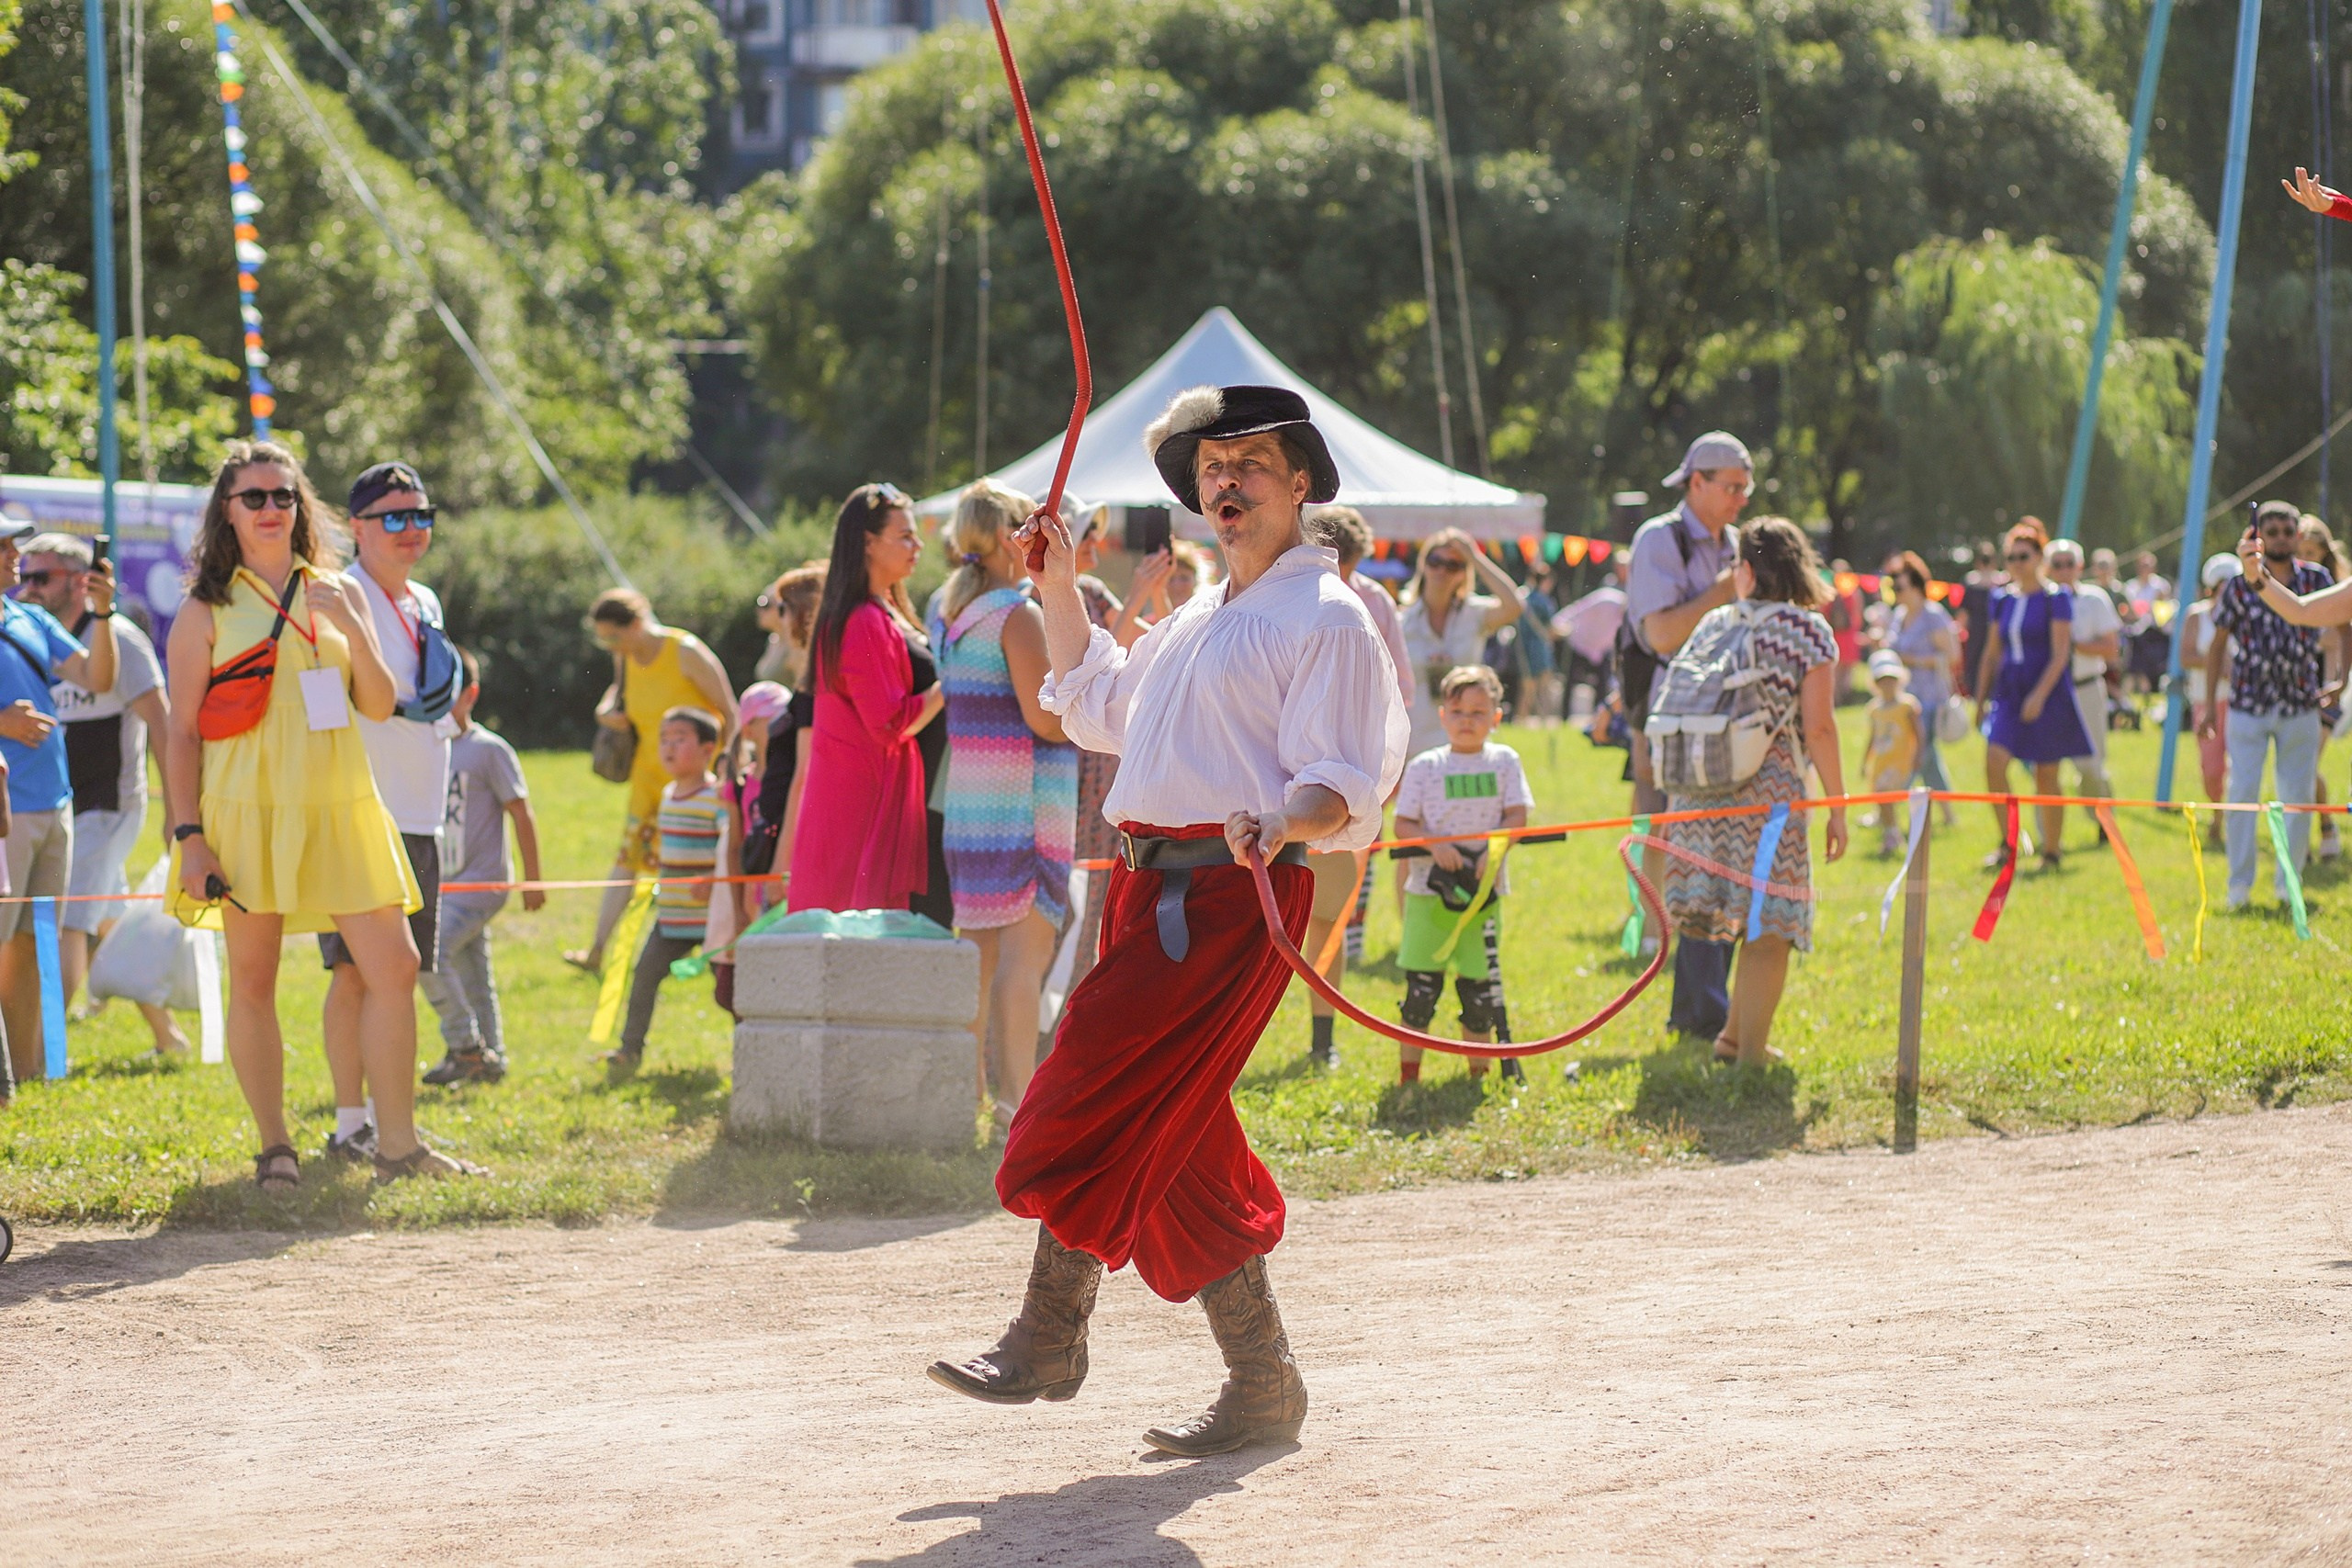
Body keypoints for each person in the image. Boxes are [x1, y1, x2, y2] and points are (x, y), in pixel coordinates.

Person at [928, 384, 1406, 1456]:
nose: (1224, 481)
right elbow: (1089, 706)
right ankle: (1265, 1384)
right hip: (1145, 887)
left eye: (1247, 464)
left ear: (1297, 484)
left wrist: (1280, 819)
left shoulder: (1323, 616)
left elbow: (1339, 779)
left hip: (1234, 893)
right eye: (1210, 469)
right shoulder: (1199, 616)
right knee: (1176, 1130)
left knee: (1089, 1082)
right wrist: (1058, 587)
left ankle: (1050, 1332)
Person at [162, 441, 480, 1186]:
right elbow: (178, 733)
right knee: (255, 978)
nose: (272, 509)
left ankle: (398, 1145)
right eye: (255, 498)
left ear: (302, 508)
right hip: (247, 810)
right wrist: (189, 836)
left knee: (396, 965)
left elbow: (376, 701)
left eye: (285, 496)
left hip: (343, 803)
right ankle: (276, 1147)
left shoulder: (339, 589)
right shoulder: (204, 608)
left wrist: (357, 627)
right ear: (227, 512)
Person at [1658, 517, 1848, 1067]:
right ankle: (1751, 1055)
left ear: (1744, 570)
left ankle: (1732, 1040)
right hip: (1768, 802)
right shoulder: (1808, 632)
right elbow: (1820, 730)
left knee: (1731, 921)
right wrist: (1836, 808)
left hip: (1697, 797)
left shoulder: (1715, 623)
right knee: (1770, 928)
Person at [317, 462, 458, 1158]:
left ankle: (382, 1120)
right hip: (361, 810)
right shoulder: (338, 593)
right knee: (355, 972)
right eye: (393, 517)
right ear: (356, 527)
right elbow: (324, 699)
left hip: (419, 812)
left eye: (421, 516)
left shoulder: (425, 599)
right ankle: (352, 1127)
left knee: (393, 977)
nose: (411, 530)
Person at [929, 479, 1078, 1127]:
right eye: (1025, 525)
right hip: (1023, 806)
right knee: (1026, 960)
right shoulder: (1017, 614)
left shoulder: (953, 612)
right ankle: (1020, 1105)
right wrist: (1094, 710)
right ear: (1001, 538)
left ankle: (967, 1099)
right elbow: (1045, 720)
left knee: (979, 961)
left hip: (971, 807)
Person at [17, 534, 180, 1054]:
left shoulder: (120, 639)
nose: (30, 587)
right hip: (62, 803)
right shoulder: (35, 635)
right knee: (108, 917)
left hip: (109, 804)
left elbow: (163, 723)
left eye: (42, 577)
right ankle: (167, 1034)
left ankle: (43, 1052)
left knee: (68, 922)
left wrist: (175, 811)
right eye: (25, 575)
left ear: (79, 579)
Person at [1623, 431, 1749, 1034]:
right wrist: (1726, 590)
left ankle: (1699, 995)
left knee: (1716, 847)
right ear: (1695, 482)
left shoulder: (1735, 541)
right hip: (1671, 719)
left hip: (1727, 719)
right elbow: (1663, 635)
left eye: (1746, 489)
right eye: (1731, 487)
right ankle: (1658, 939)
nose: (1740, 500)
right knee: (1674, 835)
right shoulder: (1659, 538)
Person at [788, 484, 944, 917]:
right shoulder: (862, 620)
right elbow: (890, 723)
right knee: (853, 934)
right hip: (862, 805)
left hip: (873, 794)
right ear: (868, 543)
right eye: (906, 536)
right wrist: (950, 681)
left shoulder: (884, 608)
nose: (918, 545)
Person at [0, 520, 116, 1093]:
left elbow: (97, 676)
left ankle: (22, 1074)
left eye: (13, 545)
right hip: (6, 815)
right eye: (2, 547)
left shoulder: (30, 618)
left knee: (30, 944)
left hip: (55, 804)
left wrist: (103, 614)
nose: (14, 556)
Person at [567, 588, 737, 973]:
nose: (610, 645)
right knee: (627, 859)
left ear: (639, 623)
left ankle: (717, 951)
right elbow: (617, 695)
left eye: (614, 636)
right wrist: (605, 713)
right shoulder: (625, 656)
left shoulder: (685, 652)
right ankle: (596, 951)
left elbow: (730, 709)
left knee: (705, 865)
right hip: (649, 778)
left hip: (700, 784)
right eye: (603, 638)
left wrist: (729, 762)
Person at [1298, 504, 1411, 1067]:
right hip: (1272, 787)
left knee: (1328, 920)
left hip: (1339, 787)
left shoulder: (1373, 604)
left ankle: (1323, 1041)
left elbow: (1399, 700)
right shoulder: (1276, 595)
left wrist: (1377, 787)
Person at [1390, 664, 1532, 1085]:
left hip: (1483, 897)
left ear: (1496, 717)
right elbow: (1403, 825)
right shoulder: (1424, 766)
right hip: (1427, 897)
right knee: (1420, 992)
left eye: (1478, 712)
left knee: (1477, 991)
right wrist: (1435, 845)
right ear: (1442, 715)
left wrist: (1497, 846)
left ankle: (1479, 1076)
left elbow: (1517, 815)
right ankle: (1409, 1078)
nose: (1467, 720)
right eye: (1458, 711)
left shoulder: (1505, 762)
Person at [418, 649, 543, 1086]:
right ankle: (493, 1057)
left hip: (481, 884)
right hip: (444, 885)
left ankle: (464, 1047)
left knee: (426, 957)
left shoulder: (489, 751)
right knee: (473, 971)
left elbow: (521, 813)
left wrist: (533, 880)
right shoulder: (425, 748)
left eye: (447, 694)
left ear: (470, 695)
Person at [2204, 502, 2333, 908]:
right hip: (2248, 702)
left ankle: (2287, 882)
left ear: (2297, 535)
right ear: (2257, 536)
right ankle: (2238, 885)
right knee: (2242, 791)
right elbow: (2218, 643)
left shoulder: (2316, 578)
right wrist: (2209, 703)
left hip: (2300, 701)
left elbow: (2342, 626)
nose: (2278, 537)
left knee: (2296, 796)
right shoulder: (2240, 583)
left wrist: (2341, 677)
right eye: (2270, 530)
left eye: (2285, 530)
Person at [603, 707, 731, 1077]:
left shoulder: (716, 797)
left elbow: (728, 845)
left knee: (728, 989)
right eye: (663, 739)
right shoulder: (668, 794)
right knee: (644, 977)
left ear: (709, 749)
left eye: (680, 739)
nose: (669, 747)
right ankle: (630, 1050)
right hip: (671, 918)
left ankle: (751, 1047)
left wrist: (715, 881)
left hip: (711, 922)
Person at [1973, 519, 2088, 873]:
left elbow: (2060, 654)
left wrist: (2039, 695)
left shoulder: (2057, 598)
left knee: (2046, 775)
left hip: (2047, 690)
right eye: (2010, 556)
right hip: (2010, 690)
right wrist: (1979, 700)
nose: (2016, 563)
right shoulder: (2002, 599)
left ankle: (2051, 852)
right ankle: (2010, 841)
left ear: (2040, 556)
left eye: (2023, 555)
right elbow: (1992, 653)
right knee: (1994, 762)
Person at [1398, 527, 1526, 759]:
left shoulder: (1474, 613)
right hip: (1413, 739)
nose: (1441, 570)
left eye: (1453, 565)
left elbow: (1514, 606)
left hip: (1465, 741)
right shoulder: (1402, 621)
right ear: (1423, 565)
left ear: (1464, 573)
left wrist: (1475, 556)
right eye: (1435, 561)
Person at [1882, 551, 1960, 821]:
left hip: (1928, 698)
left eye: (1899, 586)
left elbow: (1952, 656)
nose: (1895, 591)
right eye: (1892, 586)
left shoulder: (1933, 615)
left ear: (1915, 585)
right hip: (1903, 698)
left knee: (1916, 754)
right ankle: (1948, 814)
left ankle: (1888, 808)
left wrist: (1912, 660)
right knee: (1927, 758)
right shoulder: (1899, 615)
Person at [2045, 538, 2120, 810]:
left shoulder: (2094, 600)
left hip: (2086, 688)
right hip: (2051, 692)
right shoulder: (2041, 601)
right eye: (2057, 564)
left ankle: (2103, 820)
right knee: (2045, 766)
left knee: (2091, 764)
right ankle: (2049, 842)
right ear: (2048, 568)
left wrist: (2072, 644)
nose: (2064, 570)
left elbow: (2112, 649)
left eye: (2069, 564)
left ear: (2080, 566)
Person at [2182, 552, 2240, 844]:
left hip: (2240, 702)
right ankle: (2217, 810)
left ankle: (2229, 820)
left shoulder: (2246, 616)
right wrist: (2217, 662)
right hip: (2207, 700)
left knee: (2240, 765)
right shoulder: (2197, 615)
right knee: (2212, 767)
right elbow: (2186, 655)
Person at [1859, 650, 1920, 856]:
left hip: (1899, 760)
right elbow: (1872, 738)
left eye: (1891, 680)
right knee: (1881, 796)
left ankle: (1893, 834)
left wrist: (1918, 754)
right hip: (1882, 761)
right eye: (1882, 680)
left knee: (1886, 794)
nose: (1887, 685)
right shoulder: (1875, 709)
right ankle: (1890, 833)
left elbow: (1918, 733)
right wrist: (1864, 762)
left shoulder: (1907, 706)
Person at [1553, 554, 1628, 717]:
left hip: (1601, 650)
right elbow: (1579, 608)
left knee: (1602, 687)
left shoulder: (1629, 612)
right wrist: (1560, 621)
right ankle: (1564, 716)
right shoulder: (1606, 597)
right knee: (1570, 682)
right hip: (1581, 643)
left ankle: (1598, 718)